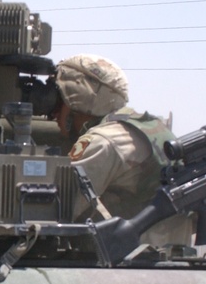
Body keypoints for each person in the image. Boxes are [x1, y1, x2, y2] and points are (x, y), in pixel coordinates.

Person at [52, 53, 194, 249]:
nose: (53, 113)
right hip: (169, 255)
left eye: (60, 100)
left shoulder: (103, 142)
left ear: (77, 100)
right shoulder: (150, 128)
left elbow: (57, 208)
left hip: (133, 258)